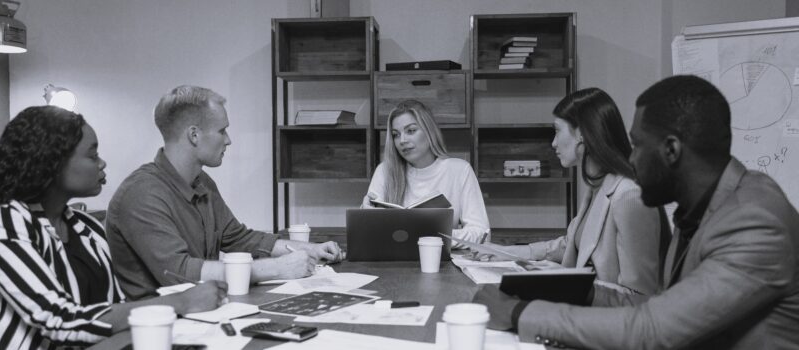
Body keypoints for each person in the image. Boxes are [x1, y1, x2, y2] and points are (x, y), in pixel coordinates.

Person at [473, 75, 799, 349]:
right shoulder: (702, 207)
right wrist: (571, 289)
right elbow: (660, 305)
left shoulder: (755, 222)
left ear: (671, 150)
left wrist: (519, 314)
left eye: (638, 145)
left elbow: (652, 329)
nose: (631, 159)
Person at [0, 106, 226, 349]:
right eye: (92, 155)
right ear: (52, 161)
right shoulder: (8, 225)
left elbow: (114, 307)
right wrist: (180, 302)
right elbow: (60, 320)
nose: (102, 162)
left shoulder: (86, 227)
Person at [106, 86, 343, 300]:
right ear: (194, 135)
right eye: (222, 131)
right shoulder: (141, 194)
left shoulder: (202, 182)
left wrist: (310, 249)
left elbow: (239, 239)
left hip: (205, 312)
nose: (228, 140)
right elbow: (180, 273)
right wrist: (279, 268)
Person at [478, 88, 670, 301]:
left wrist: (563, 287)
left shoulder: (629, 196)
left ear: (582, 134)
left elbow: (639, 298)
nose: (553, 143)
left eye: (558, 131)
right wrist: (508, 252)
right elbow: (570, 244)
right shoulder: (597, 186)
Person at [361, 100, 489, 247]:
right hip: (394, 262)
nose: (402, 140)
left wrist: (429, 236)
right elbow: (368, 235)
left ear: (429, 131)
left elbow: (481, 234)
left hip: (442, 263)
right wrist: (366, 218)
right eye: (396, 134)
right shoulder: (385, 171)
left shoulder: (459, 170)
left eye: (411, 131)